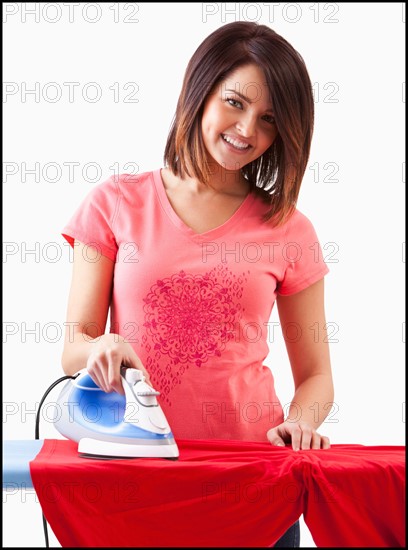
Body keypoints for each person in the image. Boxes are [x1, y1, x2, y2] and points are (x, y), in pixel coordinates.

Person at [61, 21, 334, 547]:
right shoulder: (115, 203)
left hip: (255, 487)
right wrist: (106, 346)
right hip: (134, 482)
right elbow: (74, 350)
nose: (247, 129)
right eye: (235, 102)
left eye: (269, 120)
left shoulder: (289, 229)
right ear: (200, 89)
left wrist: (299, 425)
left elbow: (318, 376)